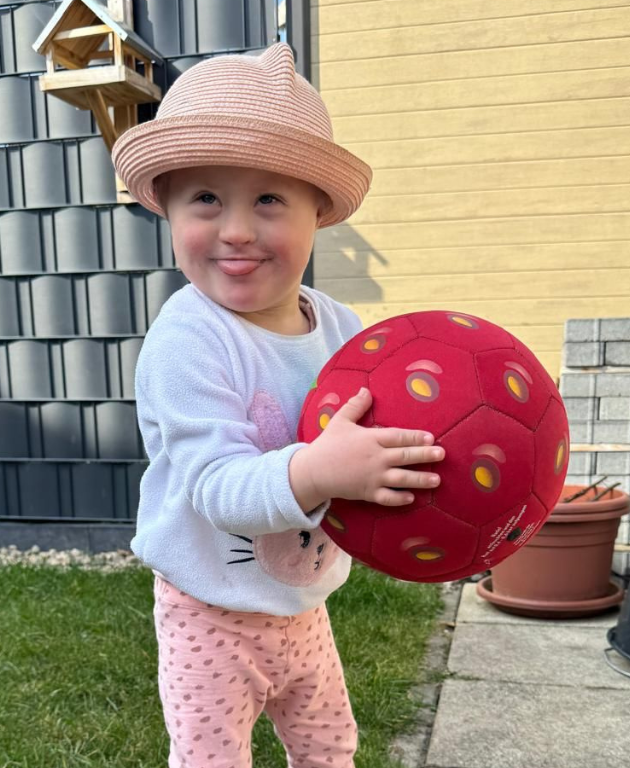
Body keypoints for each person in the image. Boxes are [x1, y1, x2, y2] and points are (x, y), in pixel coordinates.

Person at [111, 42, 444, 768]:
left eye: (268, 199)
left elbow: (380, 440)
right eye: (205, 198)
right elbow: (219, 487)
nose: (235, 229)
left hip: (303, 601)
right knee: (212, 760)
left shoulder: (341, 328)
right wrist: (322, 473)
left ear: (317, 211)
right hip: (209, 611)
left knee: (329, 745)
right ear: (166, 207)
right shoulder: (187, 341)